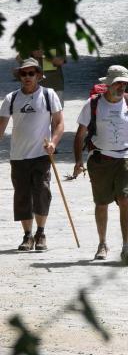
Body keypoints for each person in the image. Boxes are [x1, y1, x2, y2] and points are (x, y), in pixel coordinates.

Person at [73, 65, 128, 265]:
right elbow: (80, 134)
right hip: (100, 159)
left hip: (125, 158)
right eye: (117, 83)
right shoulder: (93, 104)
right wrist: (78, 160)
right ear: (108, 85)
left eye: (124, 83)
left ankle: (126, 247)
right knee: (101, 203)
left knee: (125, 198)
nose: (121, 87)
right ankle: (103, 243)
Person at [0, 58, 64, 251]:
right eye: (23, 74)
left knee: (42, 192)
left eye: (31, 73)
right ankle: (27, 236)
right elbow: (1, 127)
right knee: (22, 196)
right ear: (19, 76)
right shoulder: (11, 99)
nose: (27, 77)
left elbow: (59, 123)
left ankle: (41, 232)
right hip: (18, 156)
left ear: (38, 75)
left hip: (42, 154)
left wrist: (53, 142)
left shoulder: (48, 94)